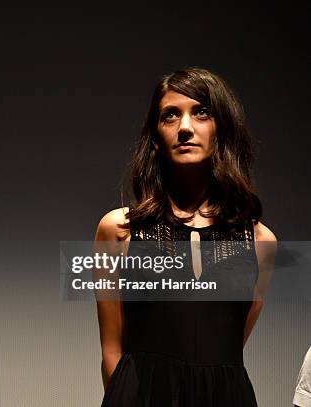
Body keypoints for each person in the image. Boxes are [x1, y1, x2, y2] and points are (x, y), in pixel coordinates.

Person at [95, 68, 276, 406]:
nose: (185, 128)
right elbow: (111, 349)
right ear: (155, 135)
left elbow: (231, 345)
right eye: (170, 116)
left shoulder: (261, 241)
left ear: (222, 127)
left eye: (201, 112)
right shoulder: (118, 230)